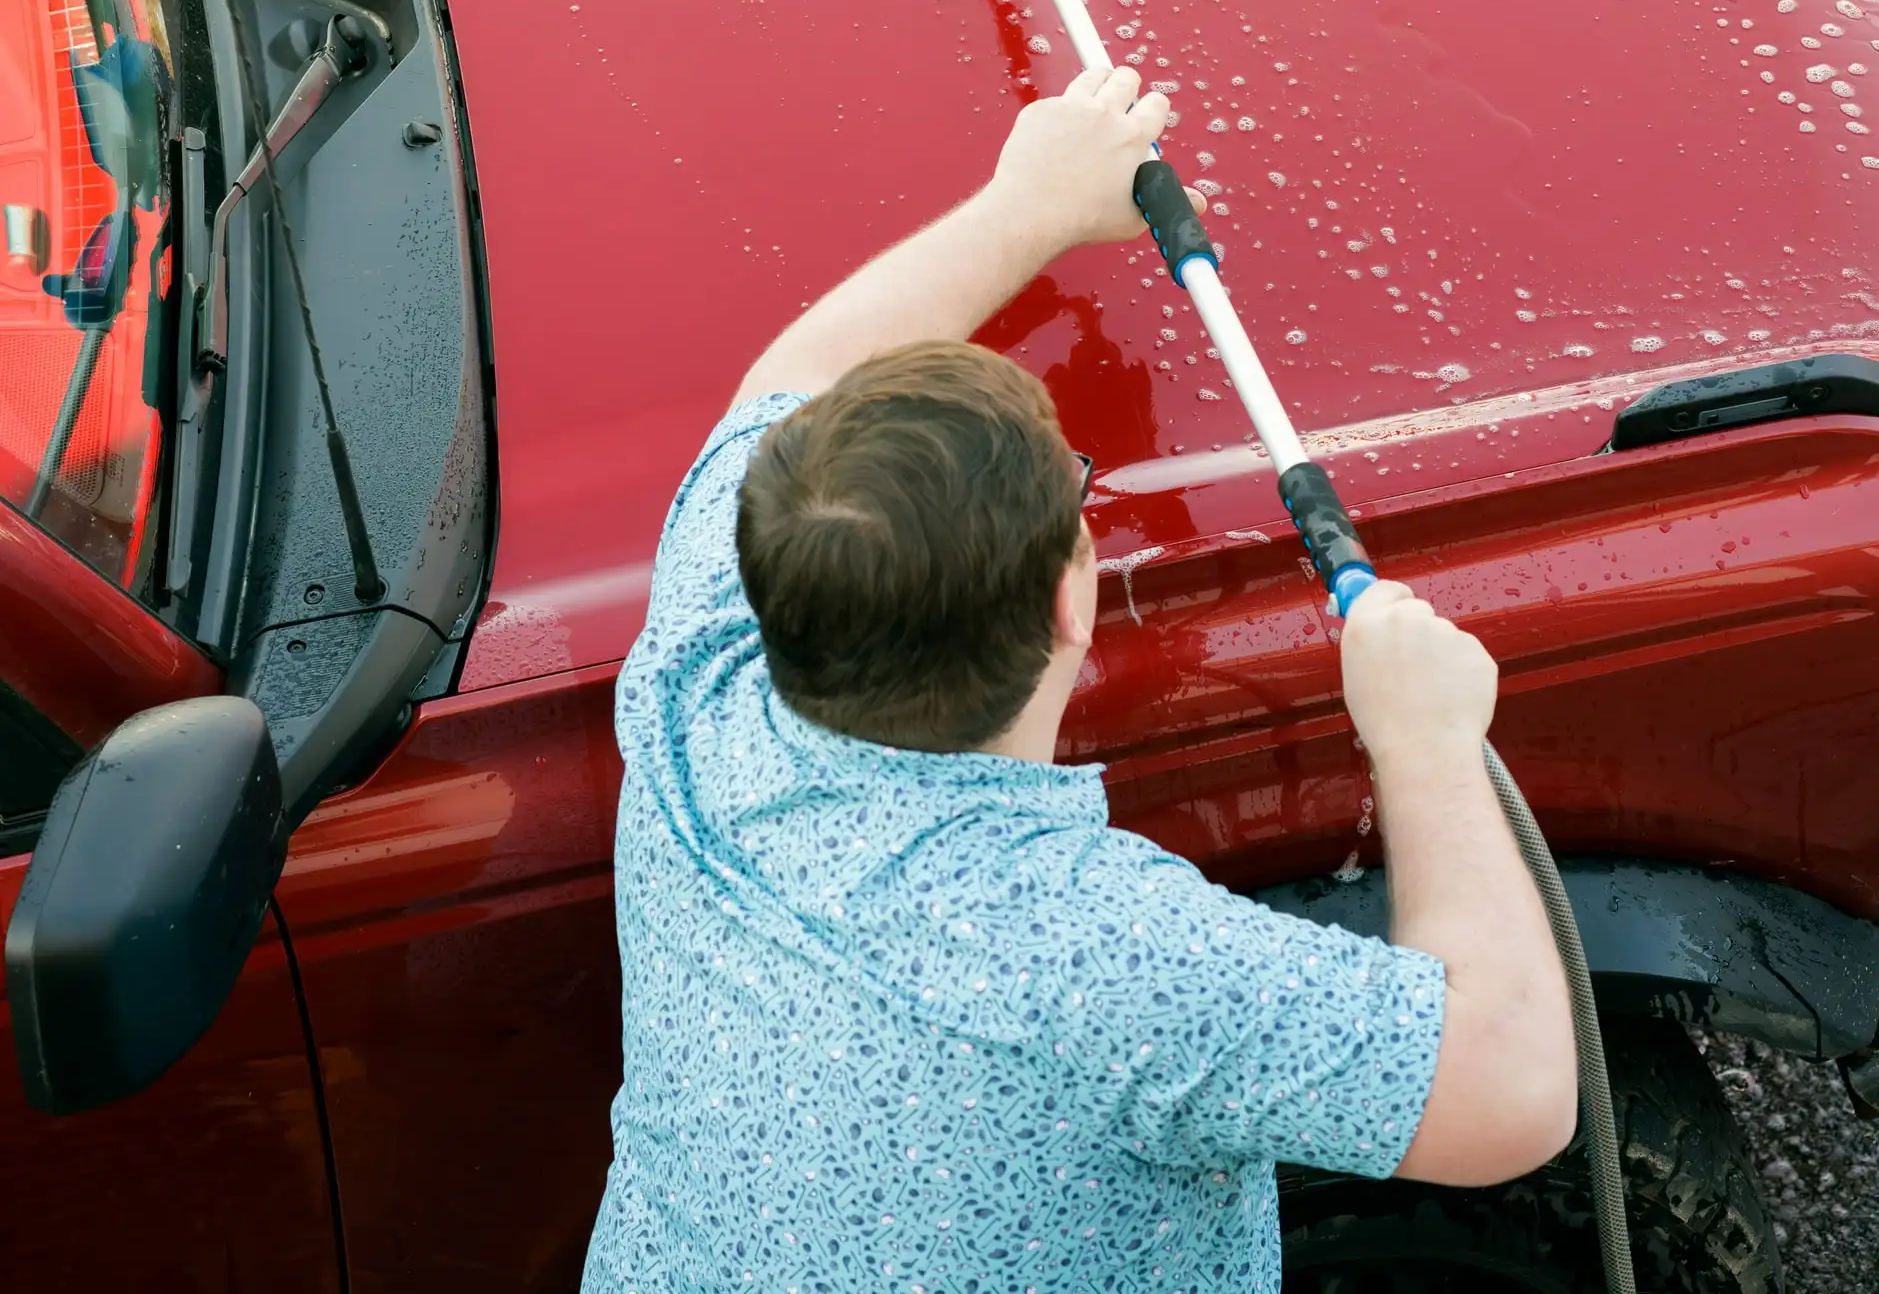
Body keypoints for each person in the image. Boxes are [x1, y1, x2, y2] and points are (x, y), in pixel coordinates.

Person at [583, 65, 1576, 1292]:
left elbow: (794, 379)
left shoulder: (695, 688)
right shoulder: (1099, 956)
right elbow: (1511, 1086)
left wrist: (1027, 203)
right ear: (1072, 597)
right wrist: (1422, 744)